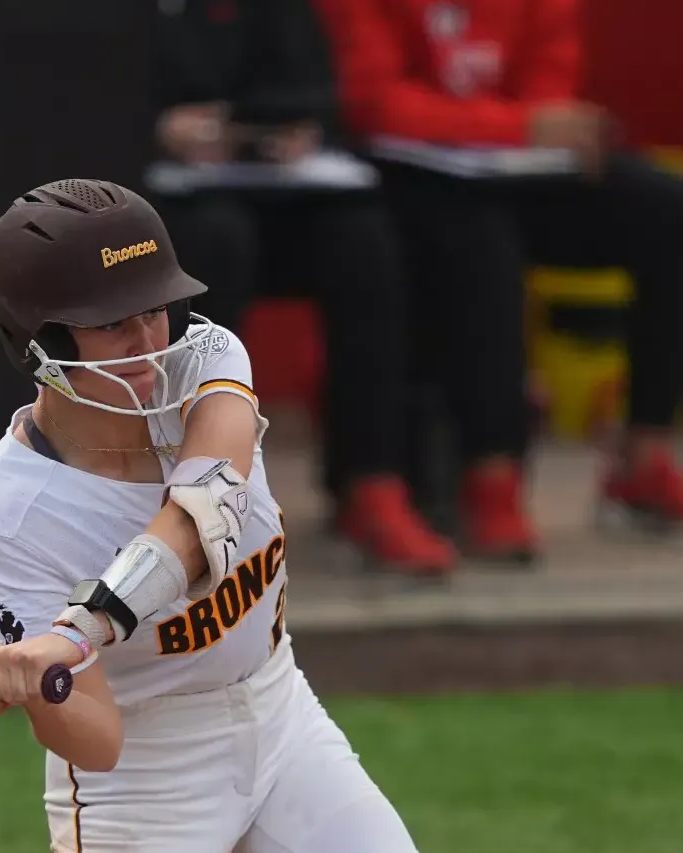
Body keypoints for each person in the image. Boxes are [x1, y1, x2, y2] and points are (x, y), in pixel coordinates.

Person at [0, 179, 570, 853]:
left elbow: (201, 518)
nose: (150, 347)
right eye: (114, 329)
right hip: (144, 787)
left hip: (281, 722)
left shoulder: (211, 363)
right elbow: (97, 740)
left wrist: (79, 628)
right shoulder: (10, 514)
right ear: (42, 346)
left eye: (157, 311)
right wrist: (33, 681)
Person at [314, 0, 683, 563]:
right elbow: (372, 103)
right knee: (481, 234)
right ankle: (492, 480)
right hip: (407, 178)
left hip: (513, 163)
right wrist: (515, 126)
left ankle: (642, 463)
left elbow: (549, 83)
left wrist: (539, 128)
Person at [152, 0, 457, 576]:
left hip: (279, 190)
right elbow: (71, 93)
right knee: (217, 245)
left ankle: (370, 481)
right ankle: (196, 495)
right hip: (170, 199)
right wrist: (158, 129)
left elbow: (323, 94)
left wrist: (296, 130)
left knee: (363, 242)